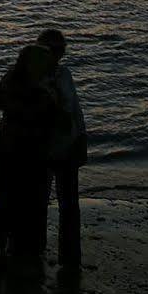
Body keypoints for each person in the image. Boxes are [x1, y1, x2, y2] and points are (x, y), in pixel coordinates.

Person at [0, 43, 64, 281]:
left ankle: (16, 246)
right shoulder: (24, 81)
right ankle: (8, 247)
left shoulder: (40, 82)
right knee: (16, 198)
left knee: (20, 198)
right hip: (17, 148)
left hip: (26, 148)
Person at [40, 28, 87, 277]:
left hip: (65, 148)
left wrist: (81, 137)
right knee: (39, 203)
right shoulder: (38, 79)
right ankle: (36, 250)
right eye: (54, 49)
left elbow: (75, 110)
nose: (58, 54)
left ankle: (70, 257)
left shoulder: (64, 74)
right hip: (45, 150)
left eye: (60, 50)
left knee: (69, 205)